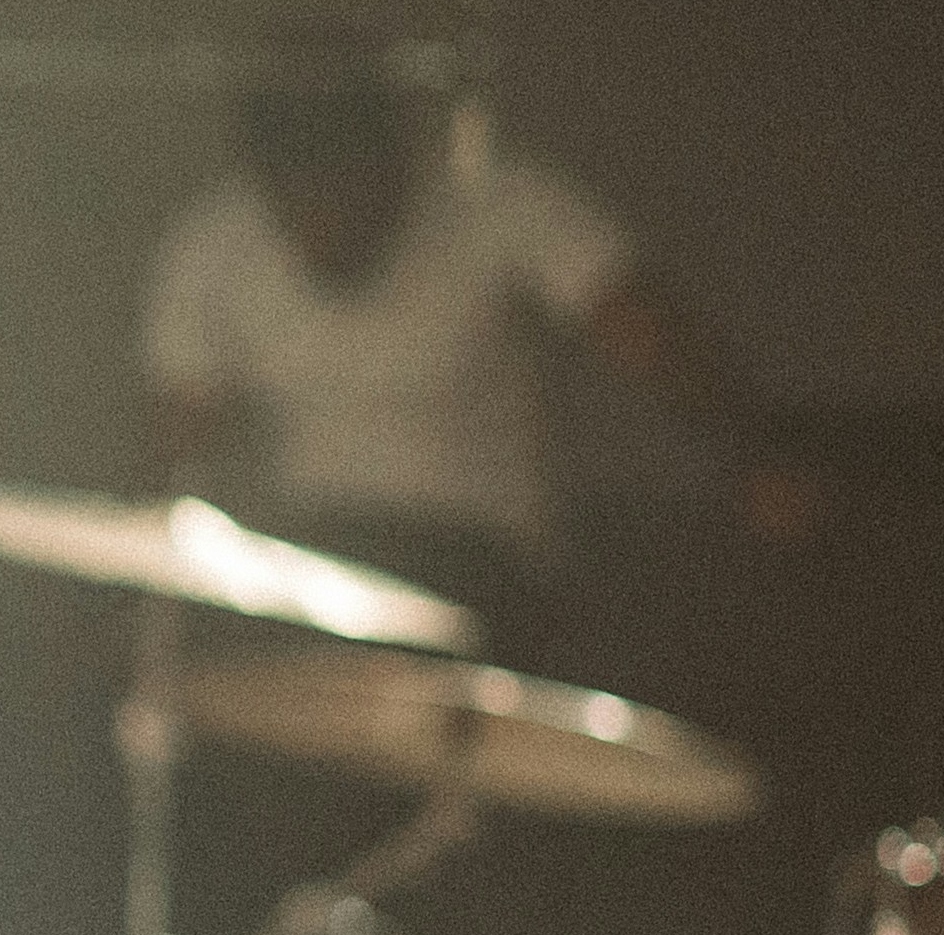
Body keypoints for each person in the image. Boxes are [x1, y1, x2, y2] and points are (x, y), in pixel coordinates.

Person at [138, 56, 816, 654]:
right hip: (305, 576)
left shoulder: (499, 206)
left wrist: (758, 458)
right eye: (295, 201)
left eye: (341, 192)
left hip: (481, 577)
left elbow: (644, 333)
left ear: (394, 163)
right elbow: (175, 437)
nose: (320, 228)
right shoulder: (212, 244)